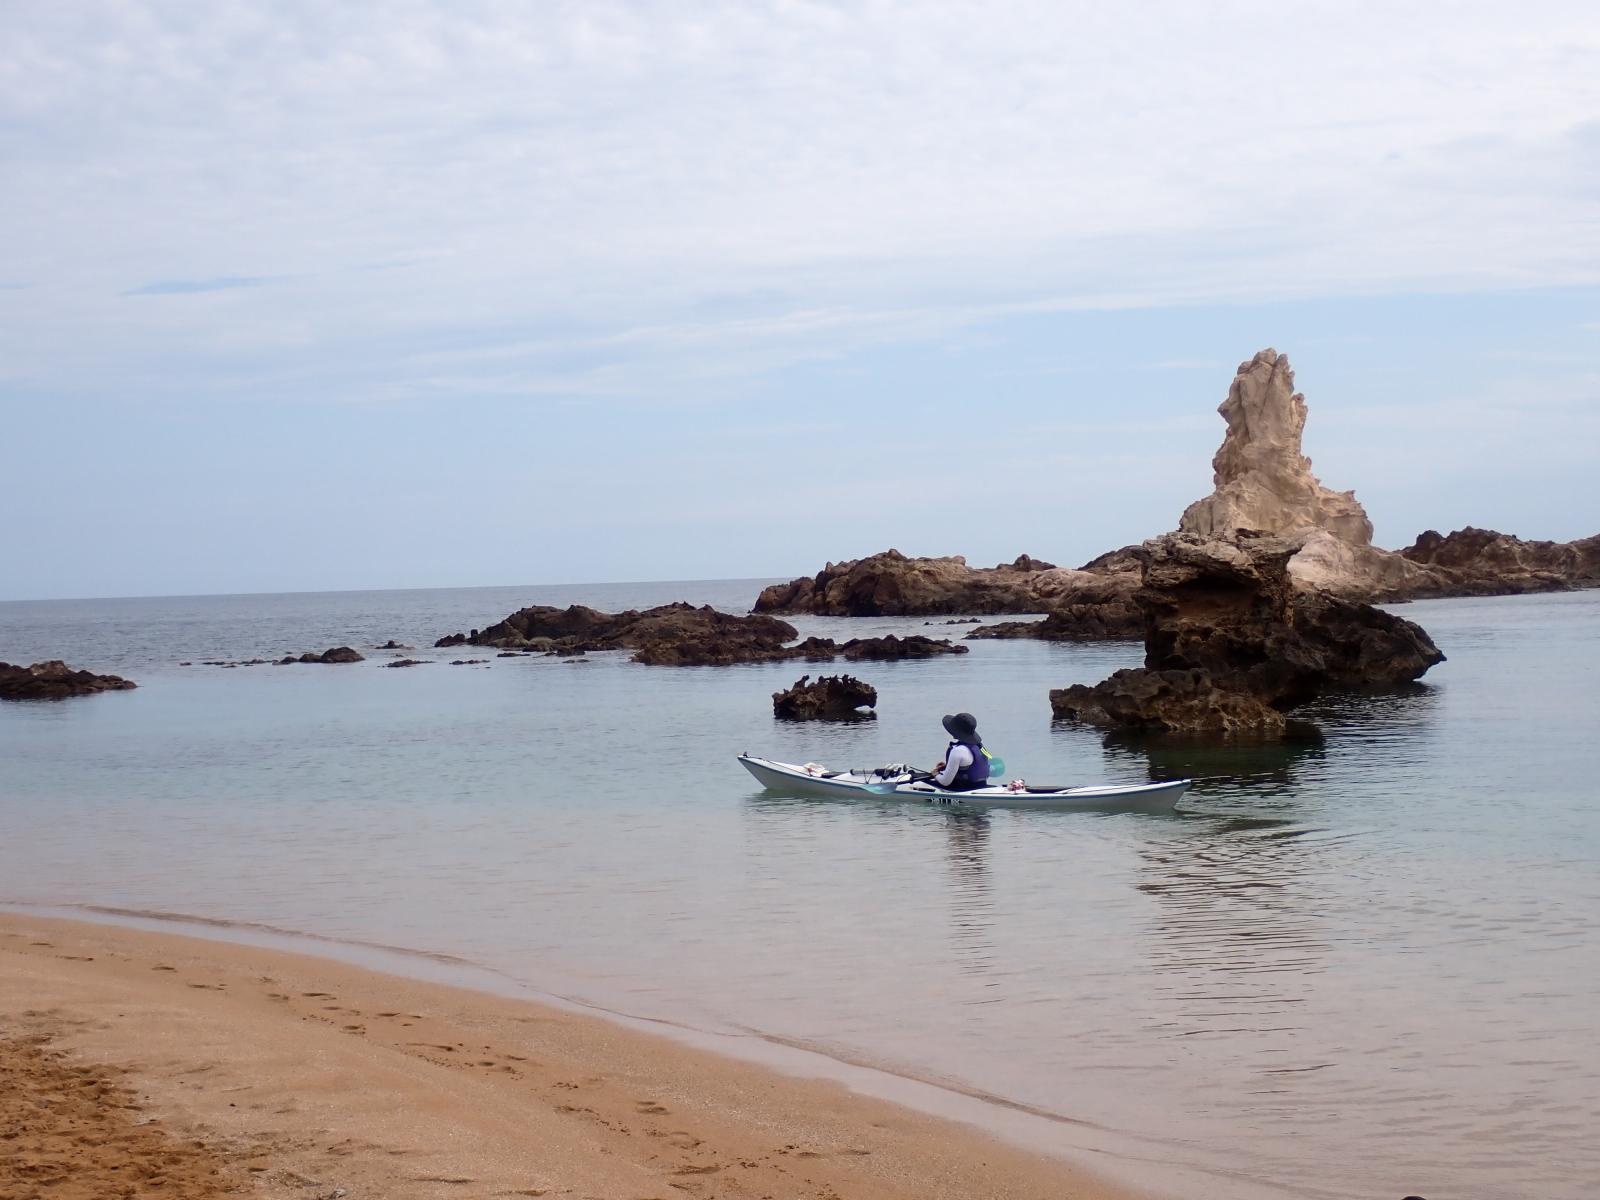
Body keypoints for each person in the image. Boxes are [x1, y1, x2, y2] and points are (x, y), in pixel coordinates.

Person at [932, 712, 990, 791]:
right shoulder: (980, 746)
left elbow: (945, 782)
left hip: (963, 789)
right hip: (982, 786)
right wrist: (947, 766)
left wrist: (934, 773)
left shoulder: (957, 751)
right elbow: (973, 764)